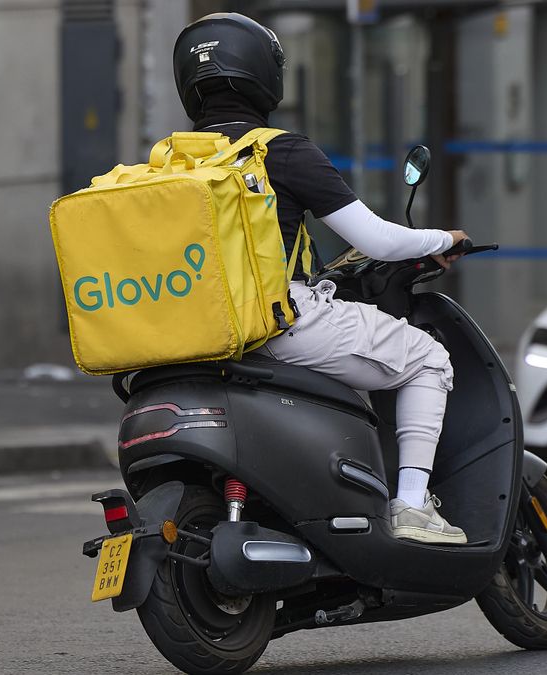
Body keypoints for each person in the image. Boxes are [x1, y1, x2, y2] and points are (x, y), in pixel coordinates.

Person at [173, 13, 470, 545]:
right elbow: (380, 241)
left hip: (194, 329)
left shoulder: (171, 163)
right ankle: (411, 505)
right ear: (266, 74)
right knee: (428, 358)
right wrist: (442, 240)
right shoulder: (280, 151)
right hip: (277, 323)